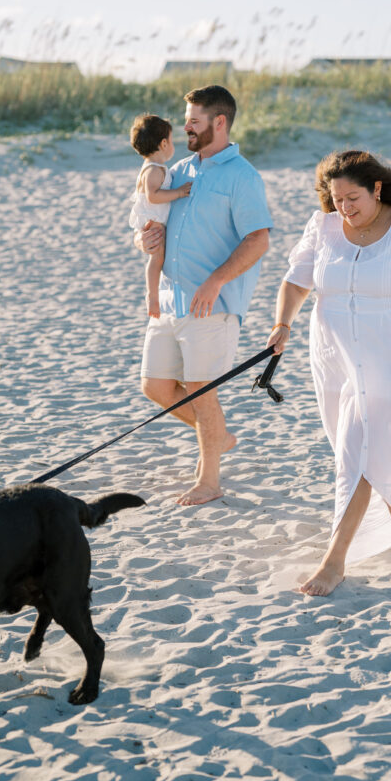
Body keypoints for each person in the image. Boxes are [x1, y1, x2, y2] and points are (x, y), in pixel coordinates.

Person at [267, 149, 391, 596]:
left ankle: (335, 560)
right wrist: (282, 324)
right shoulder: (324, 227)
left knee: (359, 450)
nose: (345, 208)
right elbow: (296, 281)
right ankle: (384, 522)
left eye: (353, 198)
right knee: (349, 445)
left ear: (377, 189)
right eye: (337, 199)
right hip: (335, 359)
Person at [136, 85, 272, 506]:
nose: (186, 126)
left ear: (219, 122)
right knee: (156, 386)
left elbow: (259, 239)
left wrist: (215, 281)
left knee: (200, 387)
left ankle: (209, 479)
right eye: (186, 119)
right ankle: (218, 435)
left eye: (194, 120)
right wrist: (147, 241)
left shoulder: (243, 176)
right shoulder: (178, 170)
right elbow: (154, 218)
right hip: (170, 299)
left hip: (213, 304)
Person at [129, 114, 192, 318]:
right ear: (164, 143)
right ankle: (152, 296)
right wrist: (180, 192)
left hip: (155, 219)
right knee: (157, 259)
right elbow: (153, 196)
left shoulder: (156, 168)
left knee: (159, 258)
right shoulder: (154, 170)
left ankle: (153, 295)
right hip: (153, 221)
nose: (173, 145)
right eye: (172, 141)